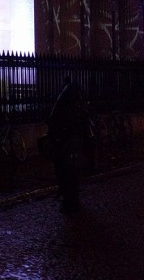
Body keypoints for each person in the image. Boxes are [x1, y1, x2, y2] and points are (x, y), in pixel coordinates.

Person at [46, 76, 90, 212]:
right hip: (73, 143)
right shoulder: (78, 104)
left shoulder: (62, 102)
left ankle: (68, 201)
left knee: (65, 172)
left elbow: (53, 121)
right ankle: (73, 200)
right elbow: (84, 123)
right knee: (73, 172)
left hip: (64, 142)